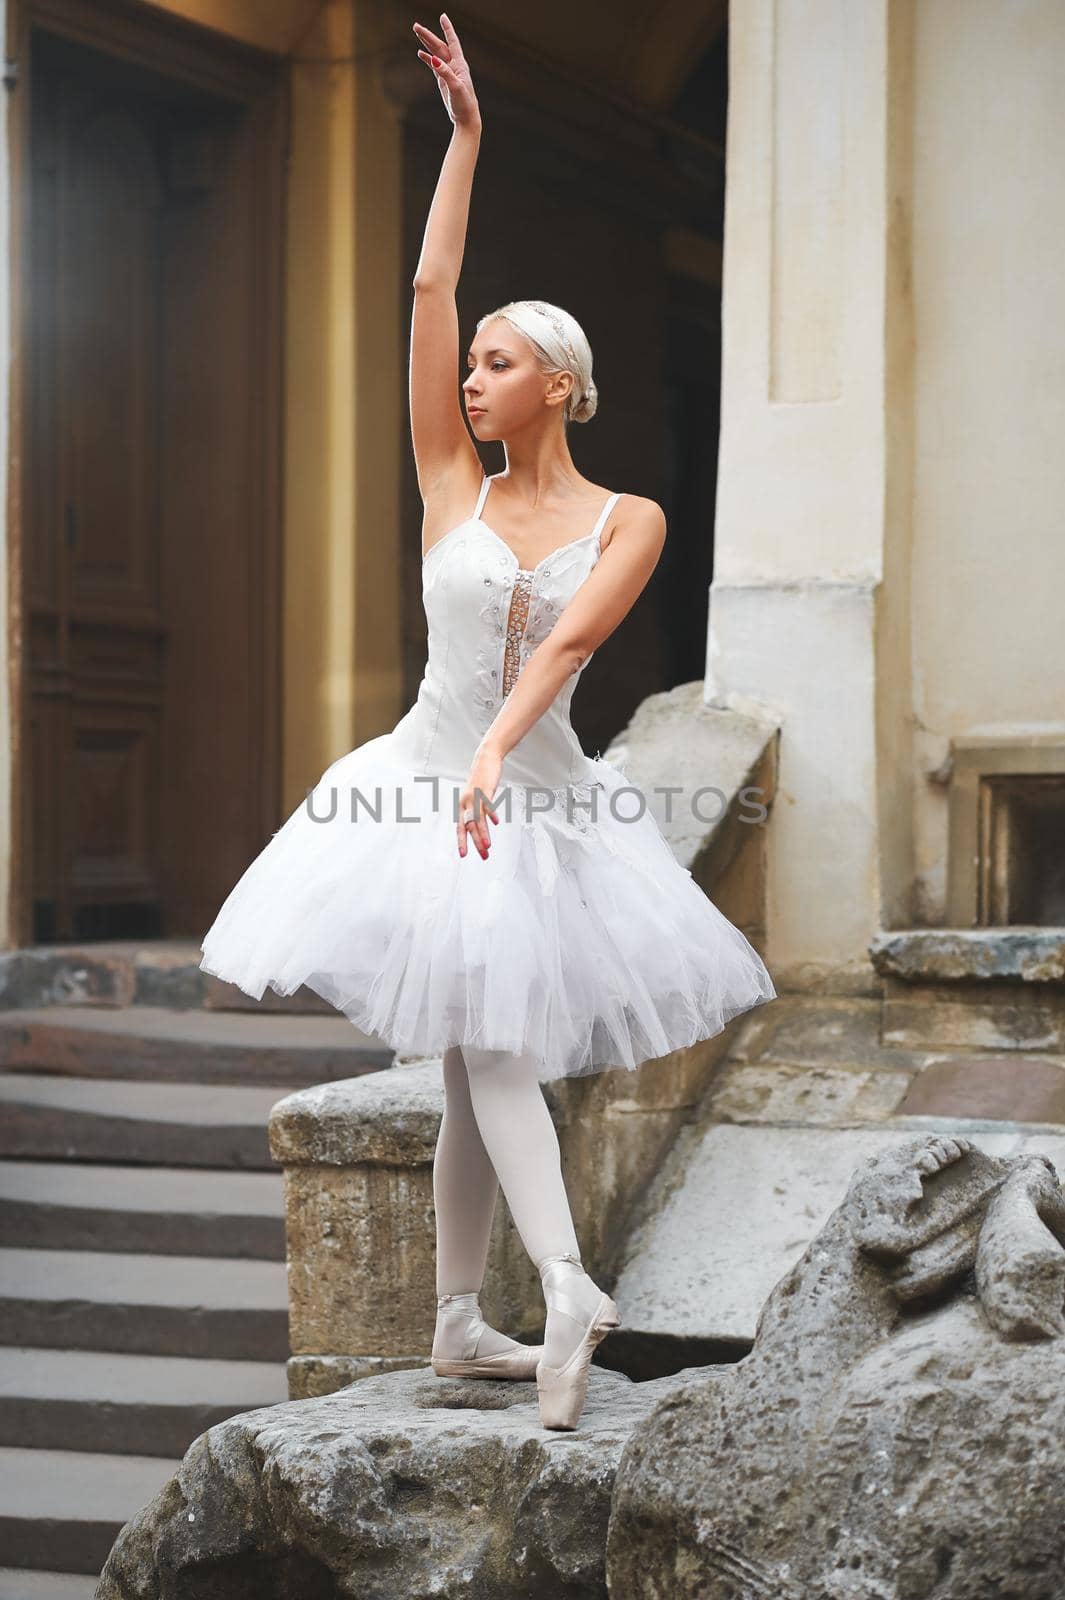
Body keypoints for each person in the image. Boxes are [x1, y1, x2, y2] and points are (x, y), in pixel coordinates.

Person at [199, 11, 776, 1432]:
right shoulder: (447, 483)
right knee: (467, 1044)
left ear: (562, 387)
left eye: (502, 361)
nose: (475, 375)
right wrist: (464, 138)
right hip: (420, 773)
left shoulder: (627, 517)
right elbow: (427, 283)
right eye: (475, 363)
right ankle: (470, 1318)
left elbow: (571, 644)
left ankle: (559, 1284)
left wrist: (497, 754)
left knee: (489, 1041)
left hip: (531, 784)